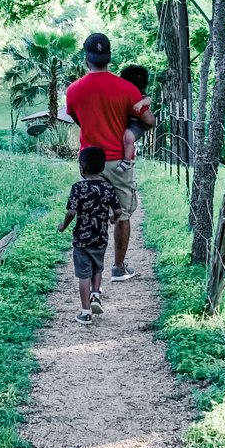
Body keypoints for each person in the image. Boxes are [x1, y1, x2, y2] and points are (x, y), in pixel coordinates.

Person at [65, 32, 155, 281]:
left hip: (89, 162)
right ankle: (118, 267)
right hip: (118, 162)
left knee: (92, 212)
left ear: (86, 58)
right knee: (123, 214)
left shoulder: (73, 90)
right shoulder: (126, 88)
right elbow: (149, 121)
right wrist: (131, 128)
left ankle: (93, 268)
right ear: (109, 58)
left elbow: (78, 120)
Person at [58, 145, 120, 325]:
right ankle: (96, 295)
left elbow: (71, 212)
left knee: (83, 274)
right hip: (100, 237)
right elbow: (118, 210)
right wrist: (112, 219)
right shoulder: (108, 188)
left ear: (81, 168)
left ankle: (85, 312)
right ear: (102, 168)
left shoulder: (78, 188)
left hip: (81, 239)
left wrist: (63, 226)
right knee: (97, 267)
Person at [117, 64, 152, 170]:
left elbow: (148, 99)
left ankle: (127, 161)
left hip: (136, 123)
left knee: (128, 137)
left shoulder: (140, 94)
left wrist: (141, 103)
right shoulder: (124, 92)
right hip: (128, 122)